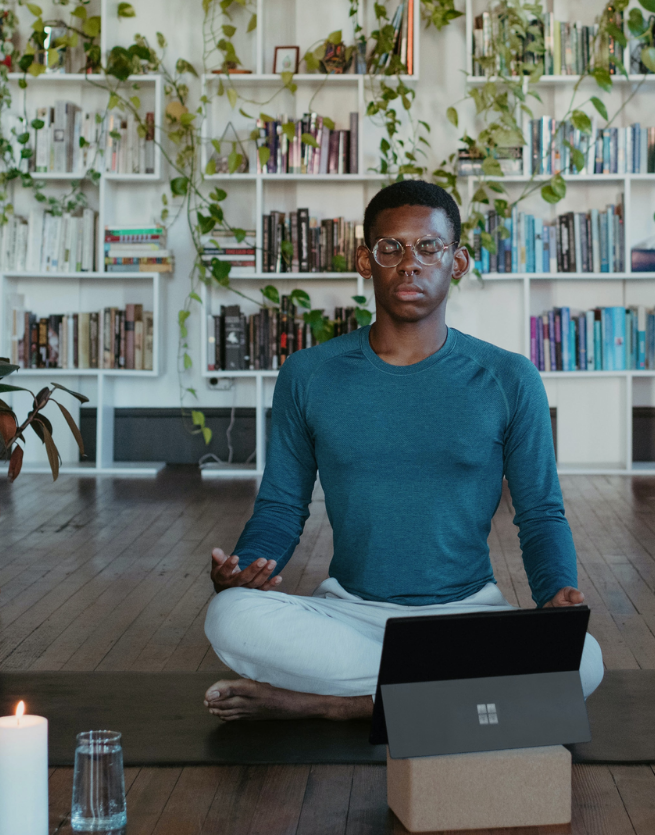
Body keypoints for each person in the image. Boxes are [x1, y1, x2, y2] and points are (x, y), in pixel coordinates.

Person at [200, 179, 604, 721]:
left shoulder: (510, 377)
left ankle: (340, 707)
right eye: (390, 248)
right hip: (350, 613)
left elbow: (539, 513)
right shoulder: (309, 375)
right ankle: (439, 698)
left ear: (457, 262)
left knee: (584, 659)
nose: (409, 264)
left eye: (428, 247)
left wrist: (556, 593)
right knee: (229, 617)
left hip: (468, 615)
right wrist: (241, 569)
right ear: (366, 262)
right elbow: (280, 506)